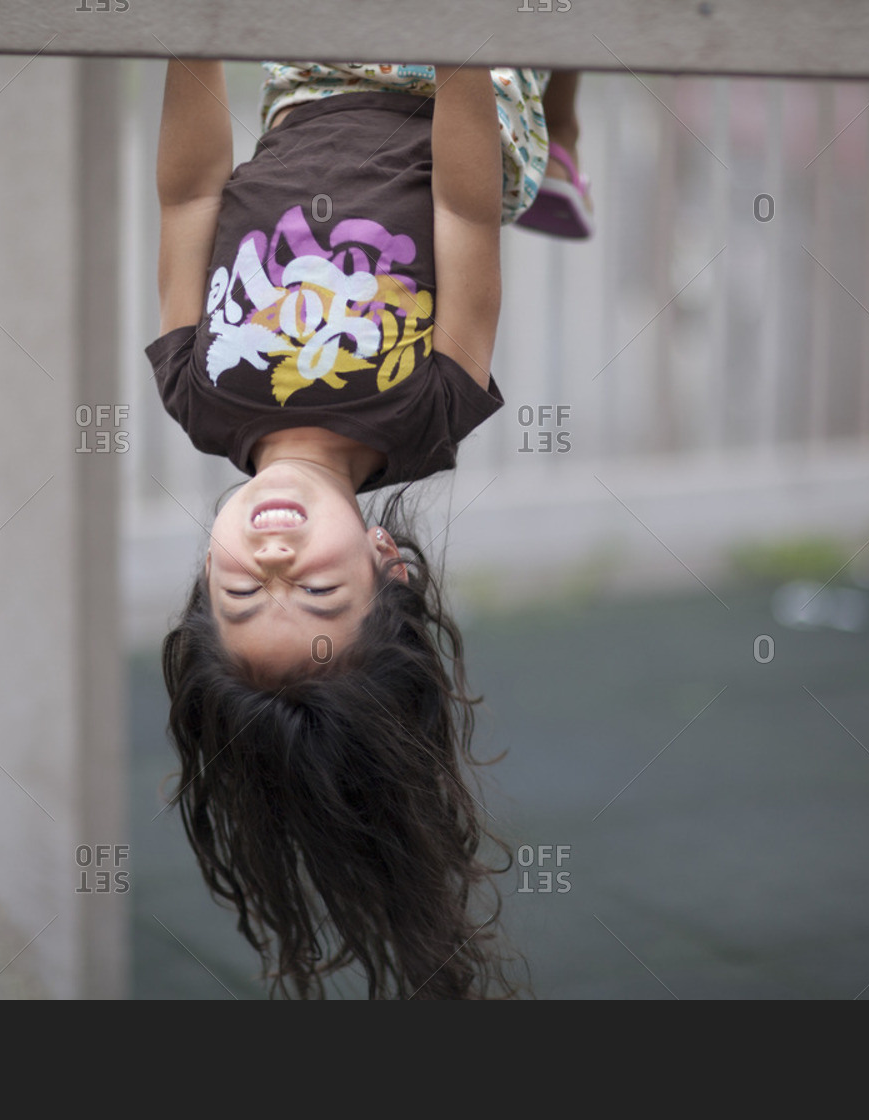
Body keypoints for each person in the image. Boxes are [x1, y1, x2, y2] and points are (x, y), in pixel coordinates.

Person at [148, 59, 590, 998]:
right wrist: (463, 44)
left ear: (207, 572)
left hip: (305, 92)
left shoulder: (199, 396)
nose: (274, 559)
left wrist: (190, 41)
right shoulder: (428, 412)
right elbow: (466, 217)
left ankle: (571, 139)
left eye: (241, 590)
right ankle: (559, 135)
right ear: (384, 562)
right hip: (461, 106)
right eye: (314, 590)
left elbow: (191, 195)